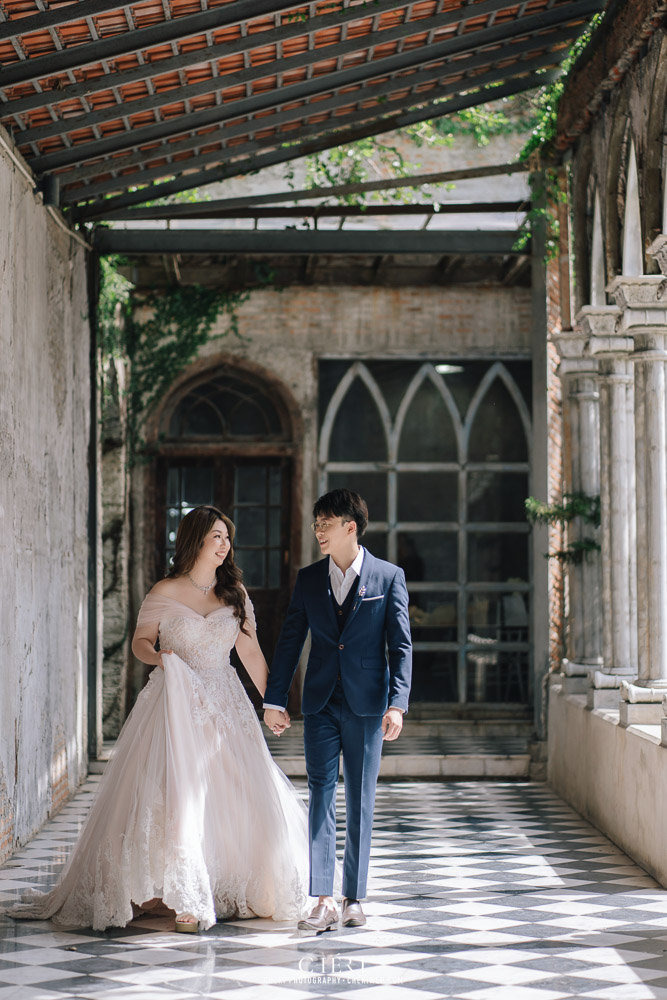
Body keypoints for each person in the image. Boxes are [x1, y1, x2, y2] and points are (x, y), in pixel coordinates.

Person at [8, 505, 309, 932]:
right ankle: (180, 893)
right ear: (195, 539)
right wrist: (162, 658)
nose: (225, 545)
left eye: (227, 537)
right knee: (172, 794)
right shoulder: (164, 592)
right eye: (217, 536)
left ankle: (223, 883)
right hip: (173, 702)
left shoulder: (235, 594)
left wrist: (272, 702)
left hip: (224, 703)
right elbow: (139, 644)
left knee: (234, 793)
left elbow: (251, 653)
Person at [263, 488, 412, 932]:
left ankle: (354, 898)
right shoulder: (309, 579)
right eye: (315, 525)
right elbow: (291, 640)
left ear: (351, 527)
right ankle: (323, 898)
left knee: (361, 799)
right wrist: (274, 700)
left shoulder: (388, 578)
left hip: (368, 705)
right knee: (321, 795)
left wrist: (397, 704)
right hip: (321, 701)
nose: (317, 532)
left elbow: (400, 646)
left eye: (325, 524)